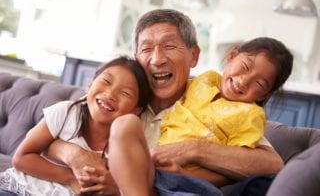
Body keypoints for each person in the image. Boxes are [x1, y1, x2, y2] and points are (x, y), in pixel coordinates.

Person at [46, 9, 286, 195]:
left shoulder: (211, 101)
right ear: (136, 57)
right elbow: (57, 131)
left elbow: (271, 164)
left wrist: (192, 150)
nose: (157, 59)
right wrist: (75, 155)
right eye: (146, 49)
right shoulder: (120, 93)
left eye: (169, 46)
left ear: (194, 56)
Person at [105, 37, 293, 196]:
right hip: (155, 170)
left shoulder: (250, 115)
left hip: (189, 183)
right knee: (125, 126)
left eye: (259, 84)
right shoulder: (204, 80)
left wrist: (186, 173)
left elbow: (233, 171)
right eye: (244, 66)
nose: (244, 81)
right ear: (232, 56)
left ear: (264, 95)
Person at [0, 56, 153, 195]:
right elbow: (21, 158)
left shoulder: (128, 146)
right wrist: (70, 177)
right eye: (106, 81)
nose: (110, 94)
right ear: (90, 84)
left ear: (136, 110)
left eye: (125, 93)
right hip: (21, 188)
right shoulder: (66, 112)